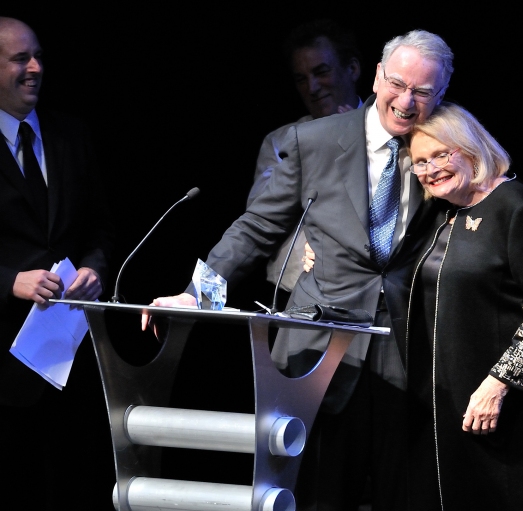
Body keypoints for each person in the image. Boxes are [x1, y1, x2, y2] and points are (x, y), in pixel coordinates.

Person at [143, 29, 454, 510]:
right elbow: (257, 227)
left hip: (410, 352)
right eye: (397, 84)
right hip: (318, 354)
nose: (406, 101)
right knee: (316, 498)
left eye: (422, 92)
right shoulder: (312, 142)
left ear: (440, 94)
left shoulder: (444, 146)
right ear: (374, 76)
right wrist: (195, 293)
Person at [303, 101, 523, 510]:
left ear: (471, 148)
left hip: (510, 415)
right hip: (448, 409)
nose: (429, 169)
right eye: (420, 162)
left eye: (441, 155)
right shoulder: (443, 213)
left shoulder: (516, 206)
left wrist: (497, 386)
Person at [0, 17, 114, 510]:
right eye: (20, 58)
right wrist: (9, 282)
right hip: (5, 368)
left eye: (38, 55)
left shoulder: (70, 135)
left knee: (78, 486)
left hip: (75, 358)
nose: (35, 68)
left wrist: (94, 267)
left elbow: (101, 227)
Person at [246, 18, 363, 305]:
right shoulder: (281, 140)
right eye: (301, 78)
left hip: (364, 294)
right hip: (292, 290)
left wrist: (355, 143)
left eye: (321, 72)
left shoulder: (383, 135)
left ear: (352, 69)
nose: (312, 87)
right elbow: (263, 216)